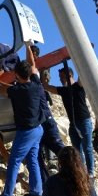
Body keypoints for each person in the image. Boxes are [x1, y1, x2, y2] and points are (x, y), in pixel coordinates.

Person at [0, 58, 45, 196]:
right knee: (32, 160)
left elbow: (3, 91)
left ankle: (7, 195)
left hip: (27, 131)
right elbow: (34, 68)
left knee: (14, 161)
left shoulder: (17, 91)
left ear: (16, 74)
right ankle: (36, 192)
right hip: (38, 129)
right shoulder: (36, 84)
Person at [42, 67, 96, 177]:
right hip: (74, 123)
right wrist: (42, 72)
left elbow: (83, 72)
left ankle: (90, 173)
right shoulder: (63, 90)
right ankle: (81, 171)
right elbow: (46, 87)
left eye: (62, 77)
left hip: (84, 121)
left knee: (87, 148)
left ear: (69, 75)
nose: (60, 79)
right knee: (77, 150)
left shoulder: (79, 86)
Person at [28, 44, 65, 182]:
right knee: (37, 153)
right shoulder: (34, 77)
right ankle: (45, 184)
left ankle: (71, 172)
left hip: (42, 118)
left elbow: (36, 71)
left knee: (53, 148)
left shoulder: (37, 73)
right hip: (39, 119)